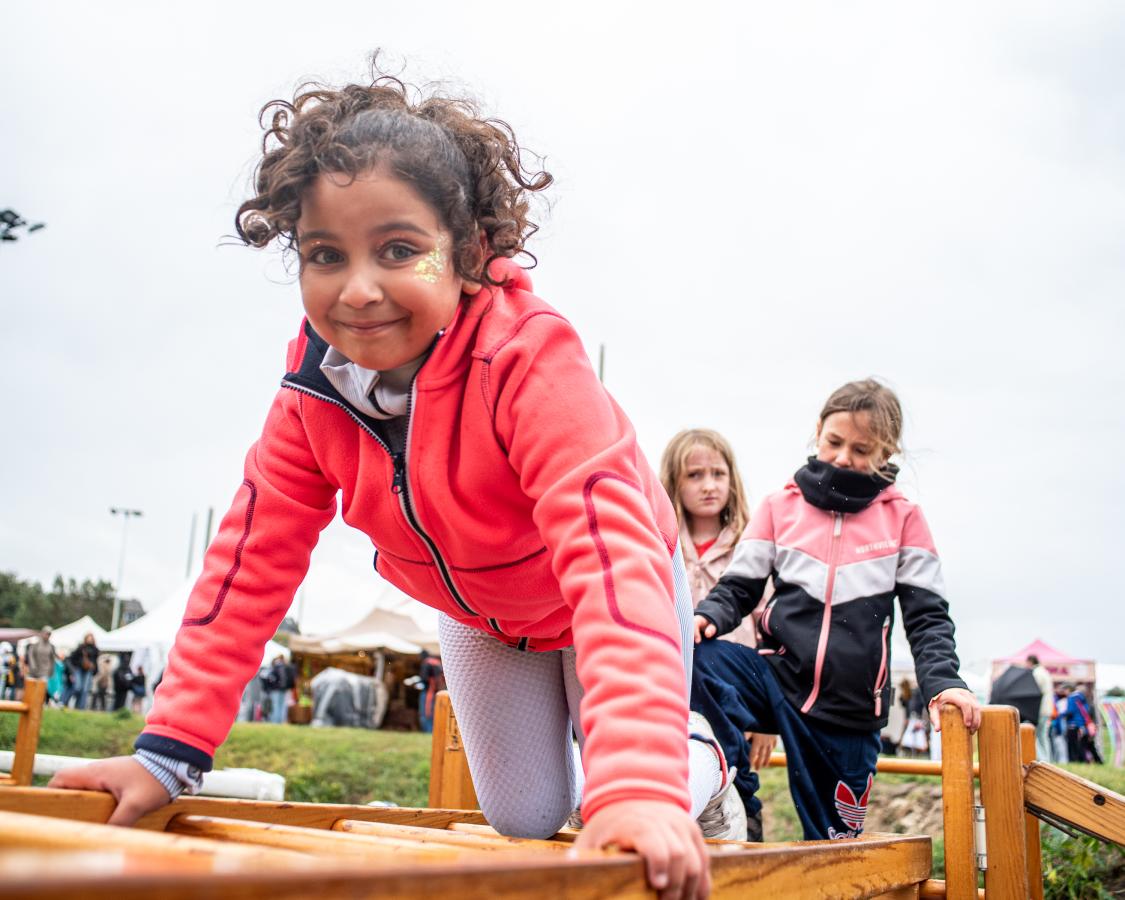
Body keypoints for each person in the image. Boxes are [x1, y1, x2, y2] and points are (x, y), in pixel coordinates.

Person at [51, 64, 736, 900]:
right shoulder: (312, 392)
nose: (358, 289)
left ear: (471, 252)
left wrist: (636, 786)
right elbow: (249, 566)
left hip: (603, 586)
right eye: (324, 255)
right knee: (524, 814)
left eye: (400, 250)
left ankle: (697, 756)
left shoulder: (526, 360)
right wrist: (168, 754)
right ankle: (621, 767)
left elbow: (610, 561)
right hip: (483, 615)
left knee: (621, 789)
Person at [690, 379, 982, 840]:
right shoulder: (779, 506)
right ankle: (734, 795)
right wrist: (707, 616)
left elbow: (927, 617)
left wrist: (944, 683)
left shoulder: (904, 518)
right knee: (700, 659)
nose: (844, 457)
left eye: (861, 449)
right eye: (834, 442)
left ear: (887, 452)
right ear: (817, 433)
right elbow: (739, 588)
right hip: (779, 678)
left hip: (848, 707)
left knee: (835, 847)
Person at [660, 429, 776, 840]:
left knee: (736, 779)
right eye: (694, 475)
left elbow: (769, 627)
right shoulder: (660, 544)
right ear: (674, 482)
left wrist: (766, 719)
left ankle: (748, 842)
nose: (708, 485)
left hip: (735, 698)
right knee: (680, 775)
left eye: (718, 474)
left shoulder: (752, 547)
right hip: (676, 694)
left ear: (732, 479)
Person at [1026, 654, 1055, 760]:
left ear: (1030, 662)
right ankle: (1047, 760)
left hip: (1039, 709)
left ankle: (1042, 760)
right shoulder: (1045, 672)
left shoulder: (1036, 673)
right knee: (1043, 736)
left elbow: (1033, 692)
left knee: (1034, 735)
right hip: (1047, 708)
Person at [63, 633, 100, 710]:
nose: (90, 640)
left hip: (89, 671)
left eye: (91, 638)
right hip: (79, 669)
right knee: (77, 687)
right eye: (88, 638)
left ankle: (80, 707)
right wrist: (71, 672)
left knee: (85, 690)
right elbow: (72, 659)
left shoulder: (95, 650)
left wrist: (95, 671)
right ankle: (64, 701)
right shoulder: (81, 648)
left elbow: (95, 662)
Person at [417, 650, 445, 734]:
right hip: (438, 692)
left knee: (426, 712)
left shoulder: (427, 663)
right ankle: (434, 730)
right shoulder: (437, 662)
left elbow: (424, 678)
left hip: (429, 691)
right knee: (435, 711)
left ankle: (428, 731)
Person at [24, 627, 56, 699]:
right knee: (30, 688)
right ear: (42, 633)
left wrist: (51, 671)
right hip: (33, 670)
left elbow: (52, 660)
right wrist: (33, 666)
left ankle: (38, 702)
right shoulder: (35, 644)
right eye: (46, 634)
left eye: (49, 634)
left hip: (44, 671)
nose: (47, 636)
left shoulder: (51, 647)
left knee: (41, 689)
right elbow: (30, 655)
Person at [263, 655, 296, 724]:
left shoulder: (275, 667)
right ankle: (281, 720)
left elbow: (269, 678)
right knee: (282, 705)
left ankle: (275, 721)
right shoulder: (287, 667)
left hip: (275, 689)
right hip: (284, 689)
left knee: (275, 705)